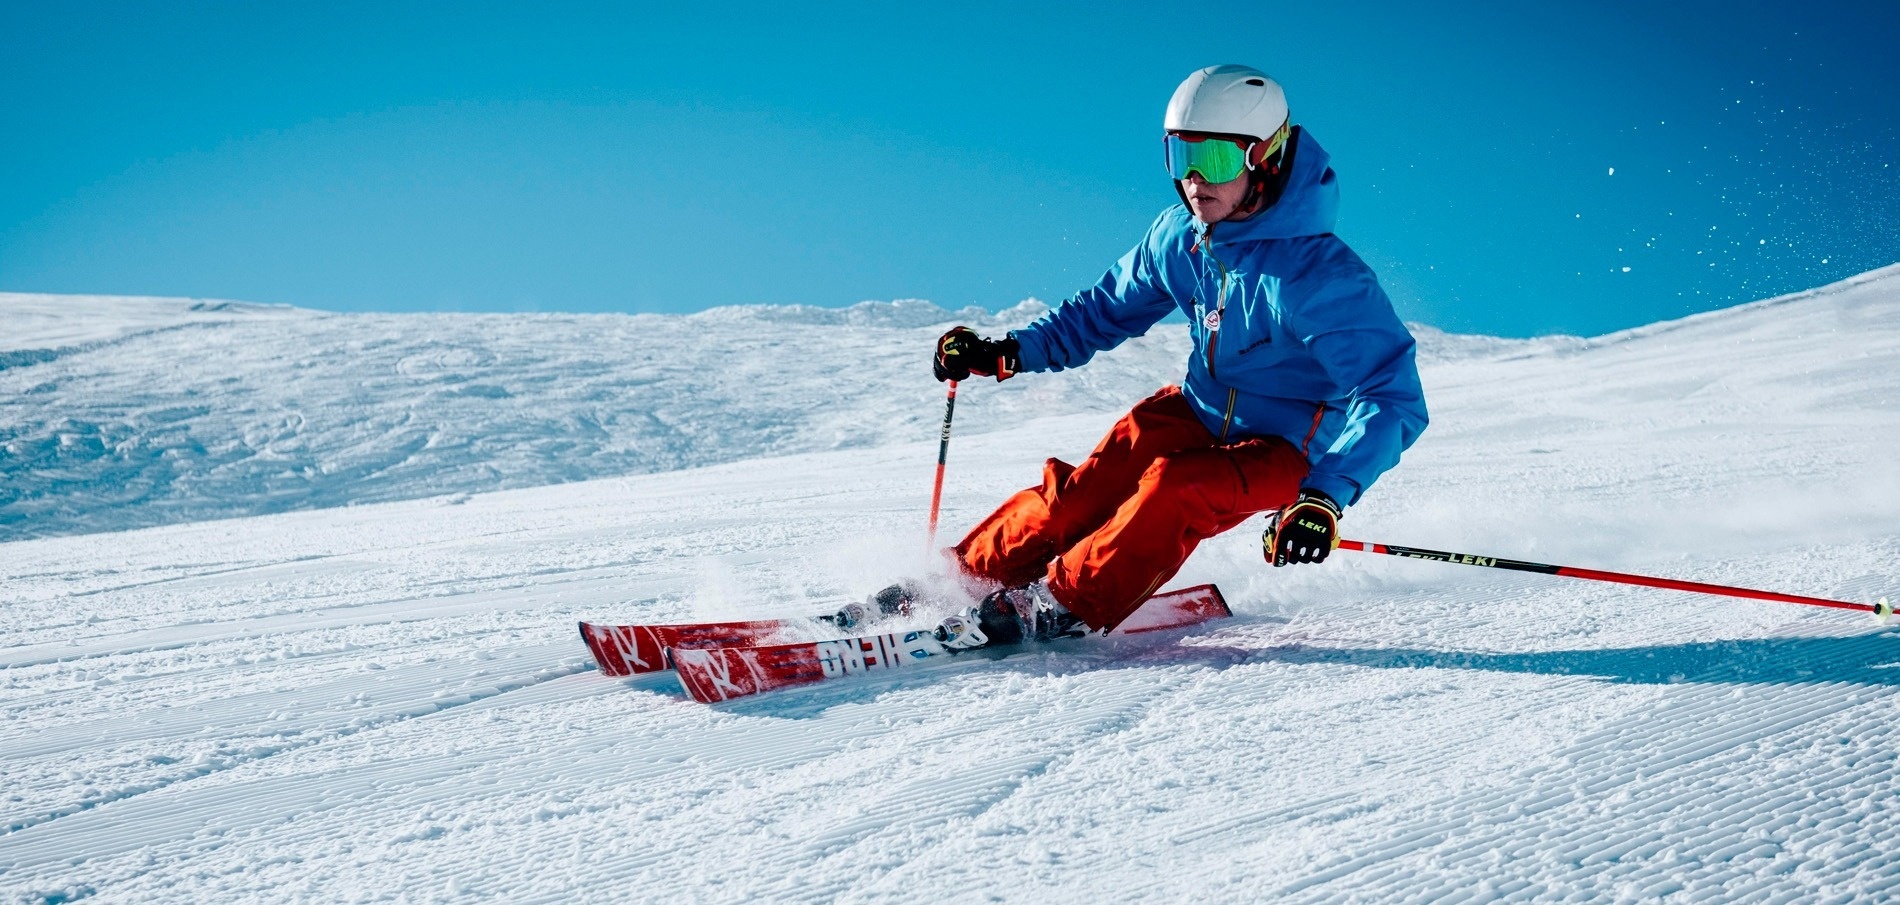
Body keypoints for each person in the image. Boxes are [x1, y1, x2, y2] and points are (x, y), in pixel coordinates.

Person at [930, 64, 1428, 649]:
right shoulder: (1180, 236)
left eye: (1214, 160)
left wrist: (1325, 495)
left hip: (1289, 447)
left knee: (1177, 486)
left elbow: (1390, 397)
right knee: (1083, 495)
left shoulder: (1319, 277)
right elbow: (1101, 312)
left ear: (1264, 157)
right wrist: (1007, 350)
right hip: (1196, 409)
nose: (1193, 180)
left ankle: (1061, 604)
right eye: (1179, 156)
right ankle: (959, 579)